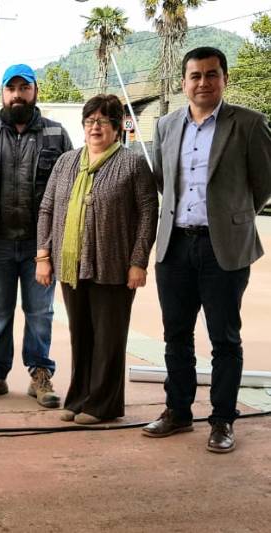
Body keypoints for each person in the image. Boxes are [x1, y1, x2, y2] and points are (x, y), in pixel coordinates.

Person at [143, 47, 271, 452]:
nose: (203, 83)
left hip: (224, 250)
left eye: (211, 75)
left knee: (225, 338)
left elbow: (263, 182)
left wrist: (234, 217)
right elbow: (164, 180)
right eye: (195, 76)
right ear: (184, 82)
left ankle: (222, 420)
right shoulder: (165, 125)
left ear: (224, 79)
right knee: (175, 335)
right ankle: (178, 412)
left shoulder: (249, 124)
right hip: (176, 245)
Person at [35, 94, 158, 424]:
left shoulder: (132, 164)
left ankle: (103, 405)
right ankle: (79, 398)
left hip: (114, 265)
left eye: (103, 121)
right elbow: (47, 208)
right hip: (71, 264)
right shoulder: (67, 162)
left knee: (109, 336)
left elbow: (148, 213)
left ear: (117, 127)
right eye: (90, 121)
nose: (95, 127)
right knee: (82, 334)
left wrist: (138, 261)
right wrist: (43, 256)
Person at [0, 64, 73, 408]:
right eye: (10, 89)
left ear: (35, 91)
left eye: (23, 88)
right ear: (2, 93)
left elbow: (67, 192)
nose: (17, 95)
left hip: (38, 246)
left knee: (40, 312)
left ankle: (40, 373)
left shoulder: (56, 135)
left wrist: (53, 244)